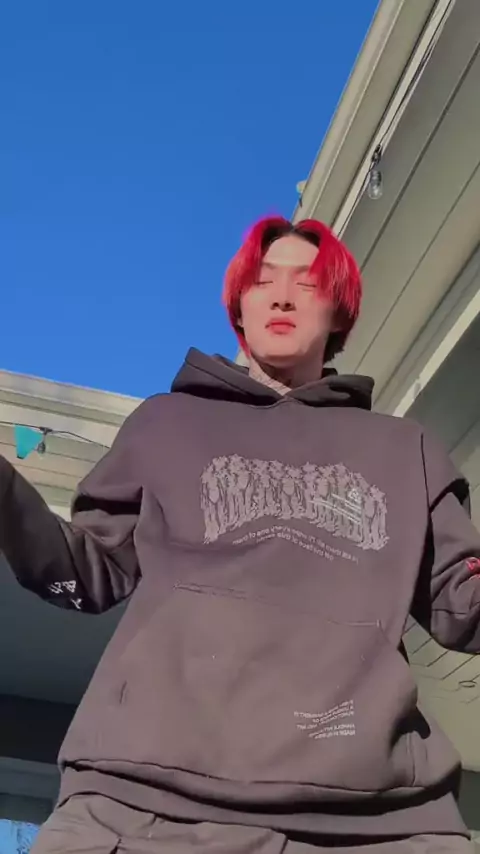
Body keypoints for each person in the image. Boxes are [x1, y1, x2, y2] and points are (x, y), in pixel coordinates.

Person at [1, 216, 479, 854]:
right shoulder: (166, 424)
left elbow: (462, 610)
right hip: (139, 805)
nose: (281, 297)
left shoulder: (404, 450)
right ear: (239, 307)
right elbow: (87, 575)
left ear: (338, 309)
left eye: (306, 284)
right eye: (263, 281)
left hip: (375, 819)